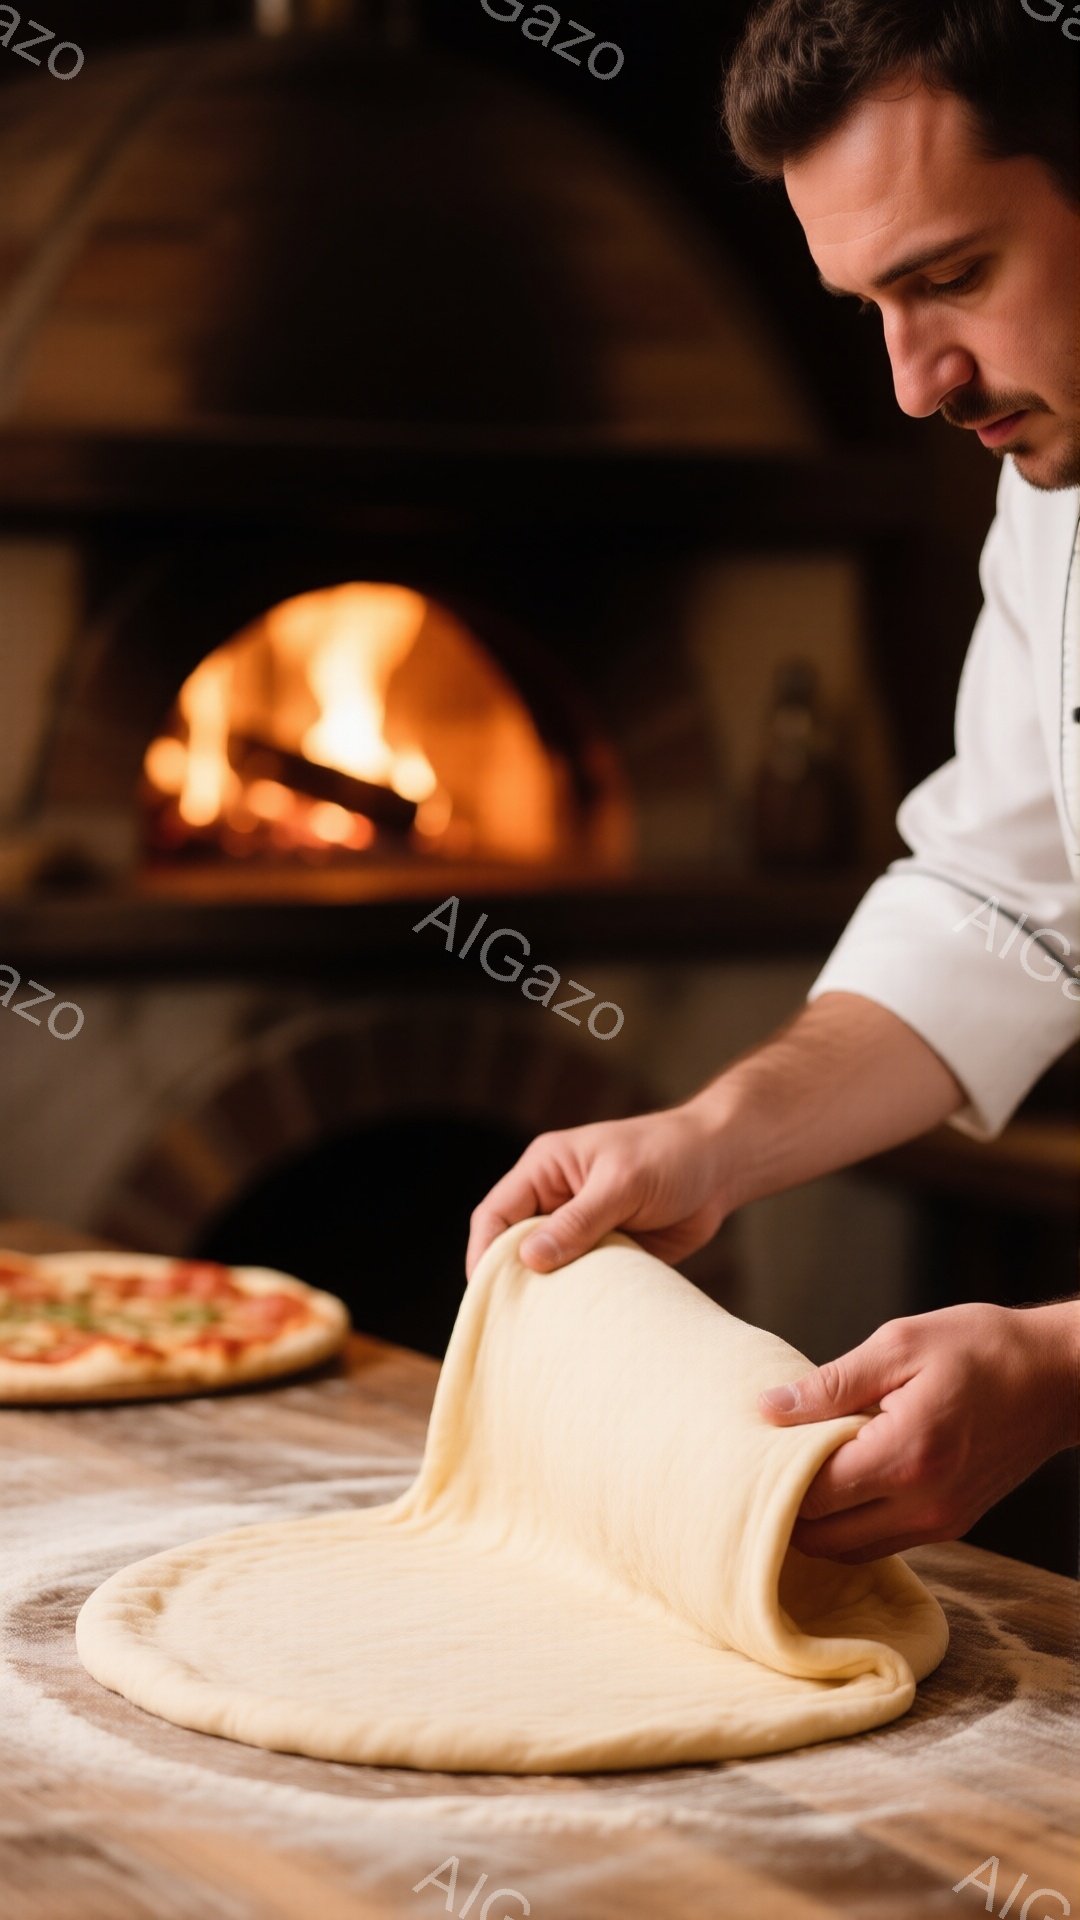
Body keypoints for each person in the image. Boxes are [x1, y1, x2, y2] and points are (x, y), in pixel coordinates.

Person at [467, 0, 1080, 1565]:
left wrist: (1061, 1365)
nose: (914, 379)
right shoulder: (1055, 499)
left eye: (953, 277)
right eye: (872, 303)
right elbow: (1010, 909)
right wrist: (712, 1136)